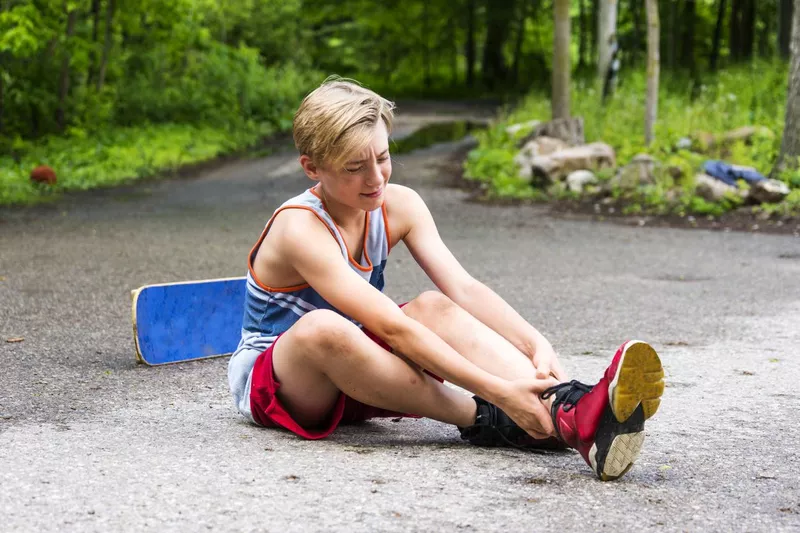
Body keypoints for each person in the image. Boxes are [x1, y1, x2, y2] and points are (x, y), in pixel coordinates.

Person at [227, 77, 664, 481]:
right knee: (324, 328)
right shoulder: (299, 228)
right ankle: (491, 417)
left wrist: (535, 344)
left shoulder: (399, 205)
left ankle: (570, 410)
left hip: (364, 374)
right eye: (354, 167)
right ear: (312, 168)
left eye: (382, 157)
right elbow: (391, 328)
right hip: (285, 385)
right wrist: (498, 392)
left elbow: (464, 288)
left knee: (432, 305)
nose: (376, 178)